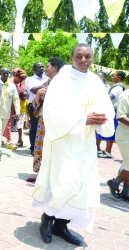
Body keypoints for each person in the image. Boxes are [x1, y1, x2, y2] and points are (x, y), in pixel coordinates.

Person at [33, 44, 115, 246]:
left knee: (79, 184)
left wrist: (101, 120)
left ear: (92, 58)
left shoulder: (95, 81)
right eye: (79, 56)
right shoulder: (61, 80)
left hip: (85, 143)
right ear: (71, 58)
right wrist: (82, 120)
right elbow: (52, 111)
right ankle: (47, 218)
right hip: (64, 141)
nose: (83, 60)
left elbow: (106, 108)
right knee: (62, 181)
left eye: (88, 56)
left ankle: (61, 224)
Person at [27, 57, 64, 183]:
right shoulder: (47, 81)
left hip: (57, 122)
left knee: (54, 149)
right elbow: (37, 105)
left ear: (54, 67)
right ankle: (40, 175)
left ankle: (52, 177)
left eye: (47, 66)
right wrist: (38, 94)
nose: (45, 69)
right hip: (43, 122)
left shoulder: (63, 83)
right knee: (41, 147)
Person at [96, 71, 126, 158]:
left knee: (109, 129)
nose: (112, 77)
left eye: (114, 76)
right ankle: (98, 148)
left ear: (119, 77)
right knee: (103, 128)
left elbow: (110, 96)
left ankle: (108, 151)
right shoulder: (117, 86)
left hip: (112, 111)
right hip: (110, 110)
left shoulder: (118, 87)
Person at [107, 88, 129, 201]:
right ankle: (114, 183)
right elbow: (121, 116)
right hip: (125, 136)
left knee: (127, 164)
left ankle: (126, 191)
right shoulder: (125, 96)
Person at [0, 67, 20, 156]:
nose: (5, 75)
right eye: (3, 73)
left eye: (7, 73)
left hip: (6, 112)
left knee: (0, 131)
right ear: (0, 73)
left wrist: (18, 112)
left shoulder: (12, 86)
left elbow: (16, 99)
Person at [26, 62, 48, 155]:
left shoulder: (47, 78)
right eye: (39, 67)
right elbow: (33, 89)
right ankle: (33, 148)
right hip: (34, 106)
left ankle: (42, 147)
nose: (42, 69)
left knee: (44, 128)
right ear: (34, 69)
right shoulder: (30, 79)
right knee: (34, 128)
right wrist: (46, 83)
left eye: (43, 67)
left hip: (45, 106)